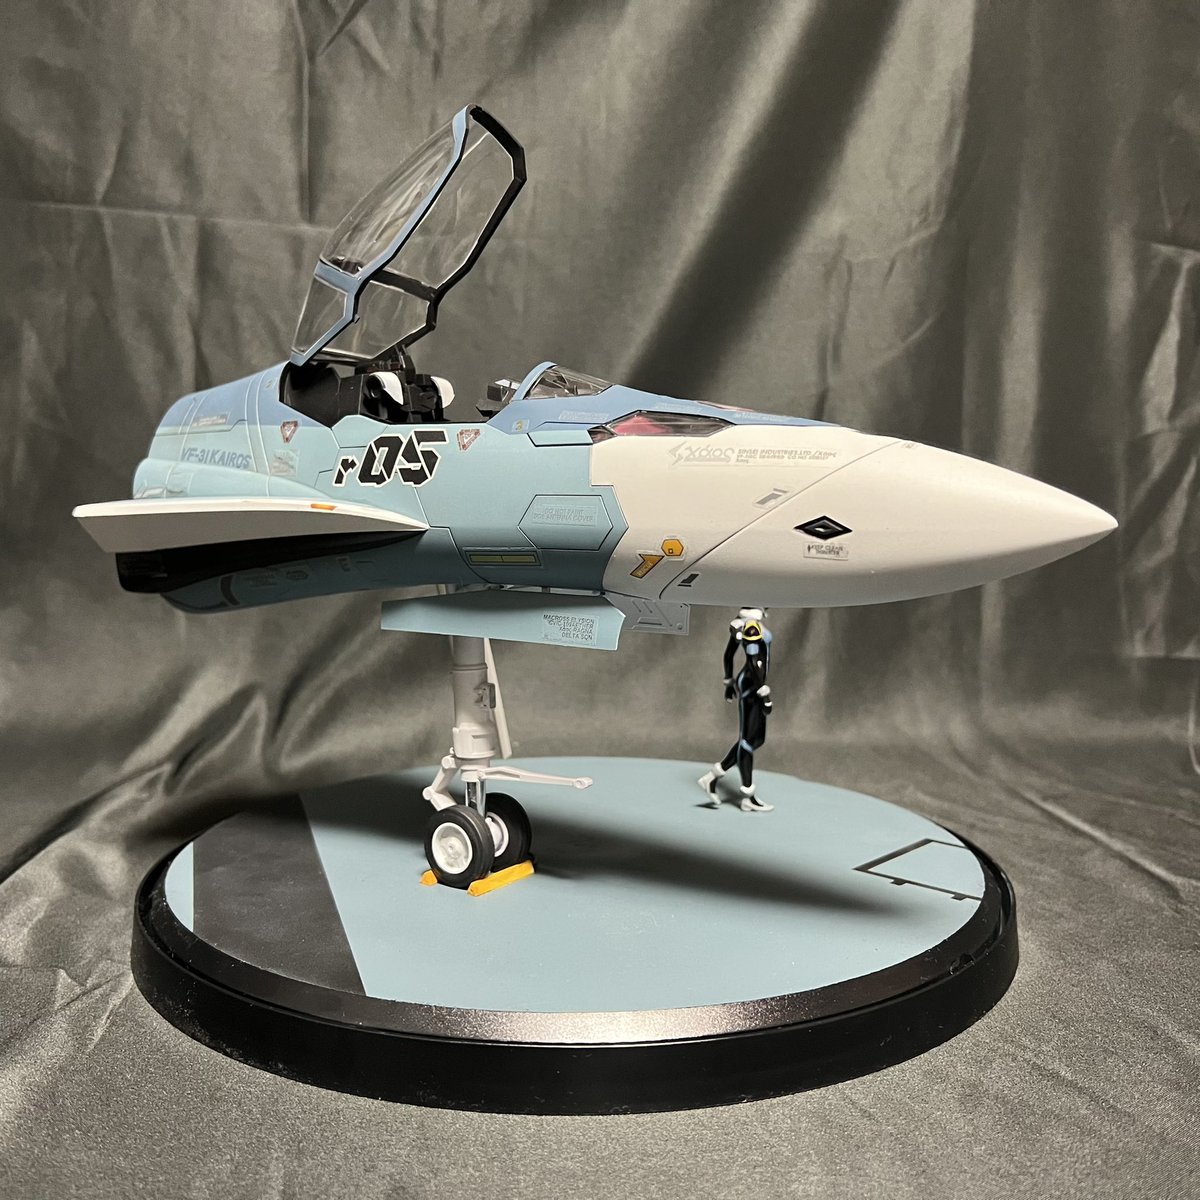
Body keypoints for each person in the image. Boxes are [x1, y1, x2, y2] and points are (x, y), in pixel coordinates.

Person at [698, 607, 774, 812]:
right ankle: (747, 796)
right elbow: (753, 662)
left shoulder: (744, 623)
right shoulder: (751, 625)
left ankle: (713, 776)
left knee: (756, 739)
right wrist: (764, 694)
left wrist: (729, 681)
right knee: (748, 742)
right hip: (752, 686)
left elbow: (729, 654)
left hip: (750, 683)